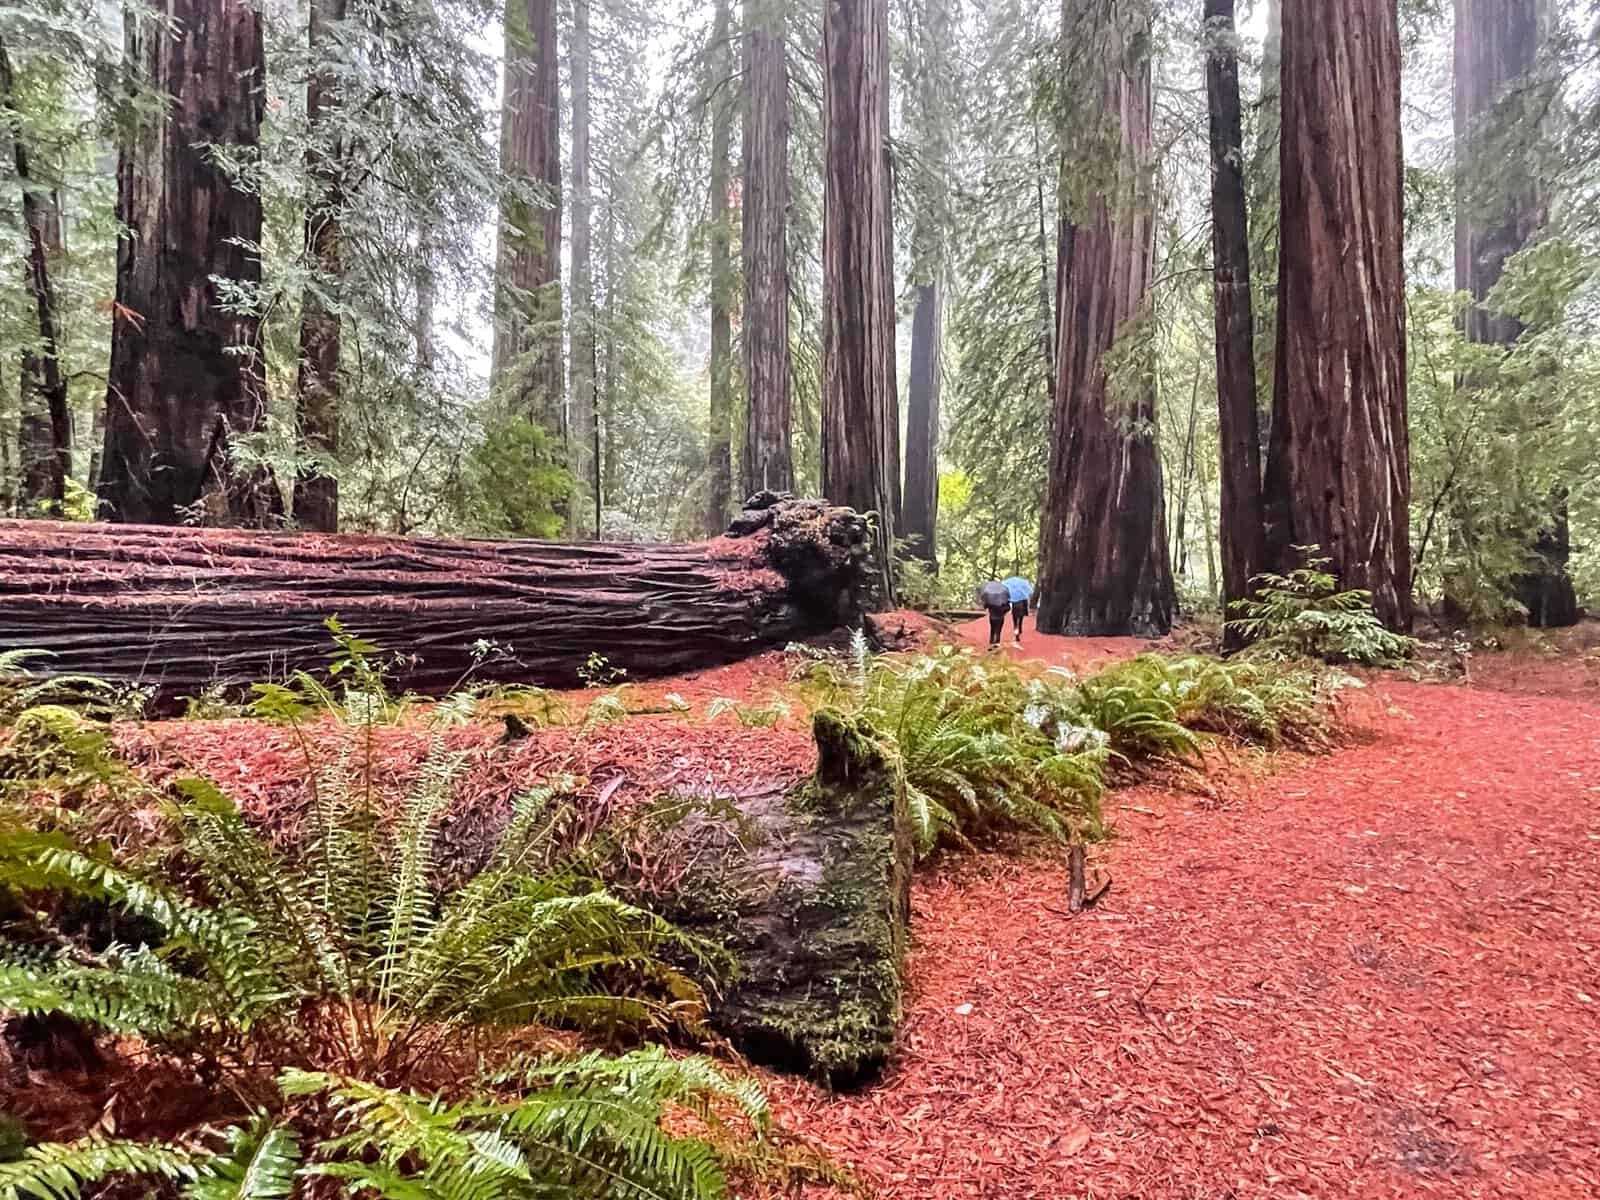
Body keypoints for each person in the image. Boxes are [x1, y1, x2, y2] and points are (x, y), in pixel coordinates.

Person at [978, 579, 1012, 649]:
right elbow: (1008, 608)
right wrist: (1003, 612)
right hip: (1000, 618)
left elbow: (985, 606)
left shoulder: (989, 599)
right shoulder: (1004, 600)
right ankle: (997, 643)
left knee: (992, 629)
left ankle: (991, 642)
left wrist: (986, 604)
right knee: (998, 630)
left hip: (992, 618)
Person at [1002, 575, 1034, 644]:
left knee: (1015, 621)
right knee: (1021, 619)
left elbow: (1008, 601)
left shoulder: (1012, 595)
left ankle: (1016, 632)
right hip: (1021, 609)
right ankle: (1020, 628)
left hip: (1015, 610)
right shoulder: (1023, 594)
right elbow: (1026, 603)